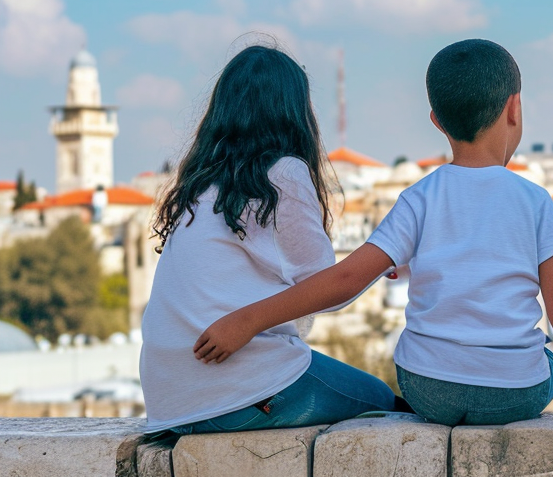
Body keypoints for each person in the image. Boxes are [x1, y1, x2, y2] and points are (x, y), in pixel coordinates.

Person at [194, 39, 553, 430]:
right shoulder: (534, 201)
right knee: (548, 361)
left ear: (436, 120)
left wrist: (247, 319)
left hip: (428, 390)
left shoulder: (418, 198)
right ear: (514, 108)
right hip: (513, 394)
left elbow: (345, 281)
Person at [141, 44, 396, 434]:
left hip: (173, 405)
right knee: (380, 399)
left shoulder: (201, 184)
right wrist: (384, 258)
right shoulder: (282, 173)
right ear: (295, 111)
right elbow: (328, 286)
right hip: (237, 393)